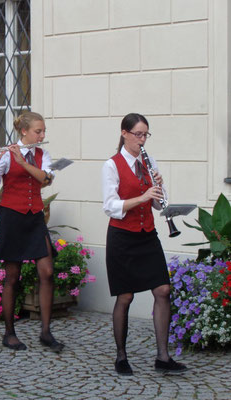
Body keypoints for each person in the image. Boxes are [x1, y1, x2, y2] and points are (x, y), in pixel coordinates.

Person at [102, 113, 187, 375]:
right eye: (138, 134)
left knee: (162, 290)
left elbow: (160, 204)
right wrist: (142, 197)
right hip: (122, 237)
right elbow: (110, 206)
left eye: (145, 135)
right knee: (125, 296)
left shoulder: (149, 162)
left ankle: (163, 357)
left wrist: (159, 190)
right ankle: (121, 356)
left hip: (147, 234)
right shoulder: (112, 165)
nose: (142, 140)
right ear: (124, 133)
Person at [0, 111, 63, 352]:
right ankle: (9, 333)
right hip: (12, 217)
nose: (42, 135)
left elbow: (45, 180)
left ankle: (46, 332)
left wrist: (24, 163)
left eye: (44, 131)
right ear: (24, 132)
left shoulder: (42, 154)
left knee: (47, 272)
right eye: (38, 131)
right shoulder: (7, 155)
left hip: (35, 218)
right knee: (12, 276)